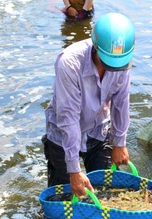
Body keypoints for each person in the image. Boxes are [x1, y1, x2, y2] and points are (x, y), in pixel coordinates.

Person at [42, 13, 135, 197]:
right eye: (108, 62)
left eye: (118, 65)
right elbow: (68, 119)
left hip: (98, 131)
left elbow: (121, 102)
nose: (113, 69)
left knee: (106, 193)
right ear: (95, 47)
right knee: (63, 198)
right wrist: (74, 170)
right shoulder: (69, 63)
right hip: (62, 138)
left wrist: (119, 142)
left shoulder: (123, 61)